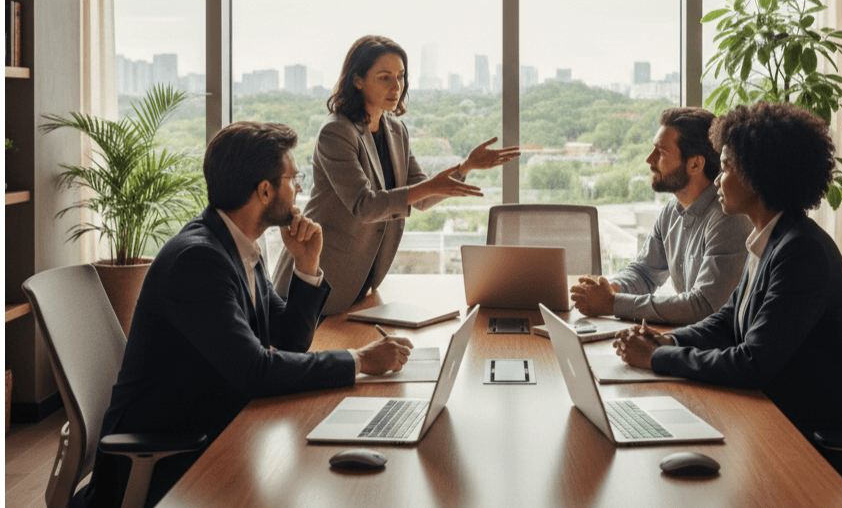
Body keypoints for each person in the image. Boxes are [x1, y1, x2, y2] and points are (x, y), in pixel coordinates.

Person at [81, 122, 413, 508]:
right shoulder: (199, 260)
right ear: (265, 190)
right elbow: (254, 371)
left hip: (216, 423)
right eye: (294, 178)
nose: (300, 188)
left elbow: (289, 340)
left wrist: (307, 266)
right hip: (170, 453)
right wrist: (359, 360)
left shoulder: (238, 246)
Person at [612, 102, 842, 504]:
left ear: (758, 175)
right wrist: (669, 344)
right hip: (785, 414)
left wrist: (657, 359)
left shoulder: (801, 253)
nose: (718, 180)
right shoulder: (771, 239)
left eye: (726, 168)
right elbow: (731, 318)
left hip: (826, 442)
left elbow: (753, 363)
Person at [272, 35, 519, 314]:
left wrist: (466, 166)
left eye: (401, 76)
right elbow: (365, 206)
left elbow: (421, 198)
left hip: (359, 285)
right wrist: (430, 186)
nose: (396, 86)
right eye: (385, 77)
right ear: (357, 80)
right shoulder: (337, 132)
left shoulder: (396, 130)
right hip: (317, 280)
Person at [569, 107, 750, 325]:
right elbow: (644, 272)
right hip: (687, 339)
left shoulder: (727, 219)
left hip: (715, 349)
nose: (649, 159)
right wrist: (608, 288)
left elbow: (703, 306)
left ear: (695, 164)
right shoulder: (672, 211)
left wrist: (612, 303)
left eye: (660, 152)